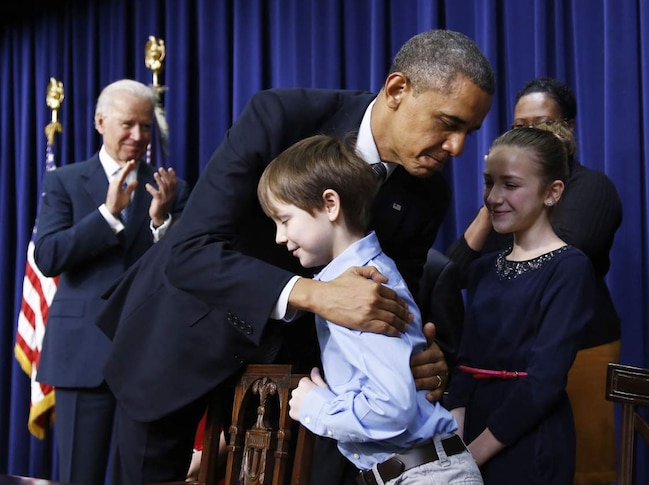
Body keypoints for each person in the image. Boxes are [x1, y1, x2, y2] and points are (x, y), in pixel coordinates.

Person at [94, 29, 495, 485]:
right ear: (398, 89)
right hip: (180, 340)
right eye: (448, 122)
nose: (458, 147)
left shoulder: (429, 193)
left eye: (469, 131)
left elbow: (389, 303)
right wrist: (317, 295)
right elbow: (189, 251)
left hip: (303, 391)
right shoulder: (281, 116)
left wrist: (415, 354)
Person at [256, 134, 482, 484]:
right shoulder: (350, 280)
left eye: (284, 220)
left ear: (330, 204)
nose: (278, 237)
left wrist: (316, 407)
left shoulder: (359, 293)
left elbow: (393, 410)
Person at [446, 77, 621, 484]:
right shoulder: (488, 266)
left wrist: (473, 454)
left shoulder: (569, 257)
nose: (493, 197)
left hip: (527, 435)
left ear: (552, 192)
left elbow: (542, 381)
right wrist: (456, 441)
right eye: (488, 184)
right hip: (477, 428)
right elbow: (466, 357)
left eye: (509, 185)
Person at [32, 79, 189, 485]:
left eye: (146, 127)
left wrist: (161, 221)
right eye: (127, 125)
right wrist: (106, 214)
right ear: (101, 122)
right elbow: (47, 257)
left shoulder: (171, 188)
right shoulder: (64, 181)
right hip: (82, 359)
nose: (138, 136)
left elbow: (189, 268)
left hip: (146, 356)